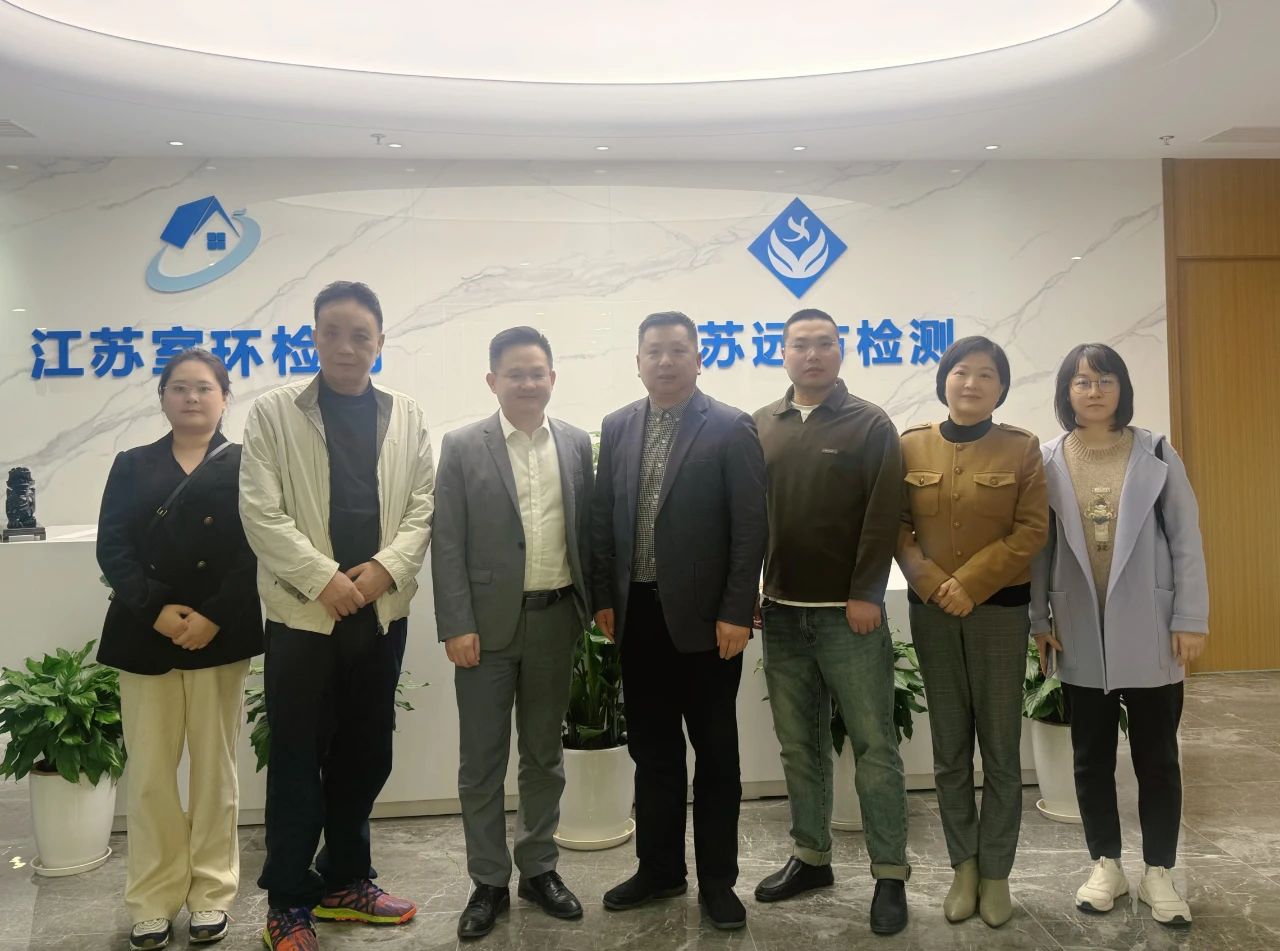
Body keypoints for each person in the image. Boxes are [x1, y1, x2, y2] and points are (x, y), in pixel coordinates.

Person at [239, 281, 435, 951]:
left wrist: (385, 568)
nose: (347, 346)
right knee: (298, 758)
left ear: (380, 341)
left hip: (379, 612)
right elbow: (259, 512)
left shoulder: (406, 413)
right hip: (304, 615)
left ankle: (346, 879)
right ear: (314, 338)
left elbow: (422, 505)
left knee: (367, 752)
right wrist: (322, 578)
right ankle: (288, 900)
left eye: (360, 335)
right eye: (333, 333)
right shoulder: (274, 412)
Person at [590, 311, 767, 931]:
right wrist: (604, 595)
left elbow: (750, 528)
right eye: (653, 352)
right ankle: (660, 869)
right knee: (653, 752)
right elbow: (603, 517)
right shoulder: (618, 426)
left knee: (716, 754)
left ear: (698, 357)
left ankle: (718, 881)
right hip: (636, 616)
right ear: (637, 360)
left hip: (708, 623)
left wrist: (736, 610)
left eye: (676, 350)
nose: (664, 362)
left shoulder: (730, 427)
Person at [1031, 343, 1208, 927]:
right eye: (1081, 382)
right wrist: (1039, 620)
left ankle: (1159, 871)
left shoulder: (1155, 450)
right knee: (1090, 758)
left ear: (1121, 389)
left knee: (1157, 758)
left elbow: (1186, 539)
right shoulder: (1048, 457)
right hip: (1079, 628)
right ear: (1067, 392)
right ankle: (1105, 863)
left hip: (1152, 627)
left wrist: (1190, 619)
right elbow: (1039, 548)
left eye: (1105, 380)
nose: (1093, 391)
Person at [96, 348, 262, 951]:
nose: (192, 397)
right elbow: (113, 547)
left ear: (224, 398)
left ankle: (213, 893)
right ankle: (153, 899)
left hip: (220, 633)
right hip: (147, 633)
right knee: (149, 776)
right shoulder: (132, 464)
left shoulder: (248, 464)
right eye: (179, 387)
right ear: (163, 397)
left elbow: (257, 548)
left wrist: (213, 615)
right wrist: (158, 610)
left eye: (204, 388)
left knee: (216, 772)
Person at [751, 308, 911, 935]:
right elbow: (749, 517)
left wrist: (866, 592)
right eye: (800, 344)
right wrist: (749, 591)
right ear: (782, 352)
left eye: (824, 343)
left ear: (841, 351)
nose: (812, 354)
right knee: (799, 745)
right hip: (782, 614)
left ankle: (890, 874)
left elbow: (884, 512)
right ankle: (811, 856)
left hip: (851, 616)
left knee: (874, 746)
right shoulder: (762, 424)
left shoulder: (870, 423)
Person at [432, 326, 595, 939]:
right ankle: (488, 882)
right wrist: (456, 624)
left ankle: (539, 868)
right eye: (515, 373)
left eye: (537, 373)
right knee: (481, 762)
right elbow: (447, 541)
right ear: (493, 380)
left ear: (552, 378)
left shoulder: (575, 443)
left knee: (544, 756)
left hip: (556, 620)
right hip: (483, 630)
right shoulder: (462, 445)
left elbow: (587, 529)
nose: (527, 383)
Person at [895, 336, 1048, 928]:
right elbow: (897, 526)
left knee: (1001, 748)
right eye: (962, 372)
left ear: (1001, 387)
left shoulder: (1021, 448)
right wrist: (935, 582)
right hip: (933, 610)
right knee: (950, 746)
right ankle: (964, 865)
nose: (972, 383)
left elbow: (1032, 530)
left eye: (987, 374)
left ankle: (996, 872)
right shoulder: (911, 445)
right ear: (944, 381)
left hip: (999, 612)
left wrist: (971, 584)